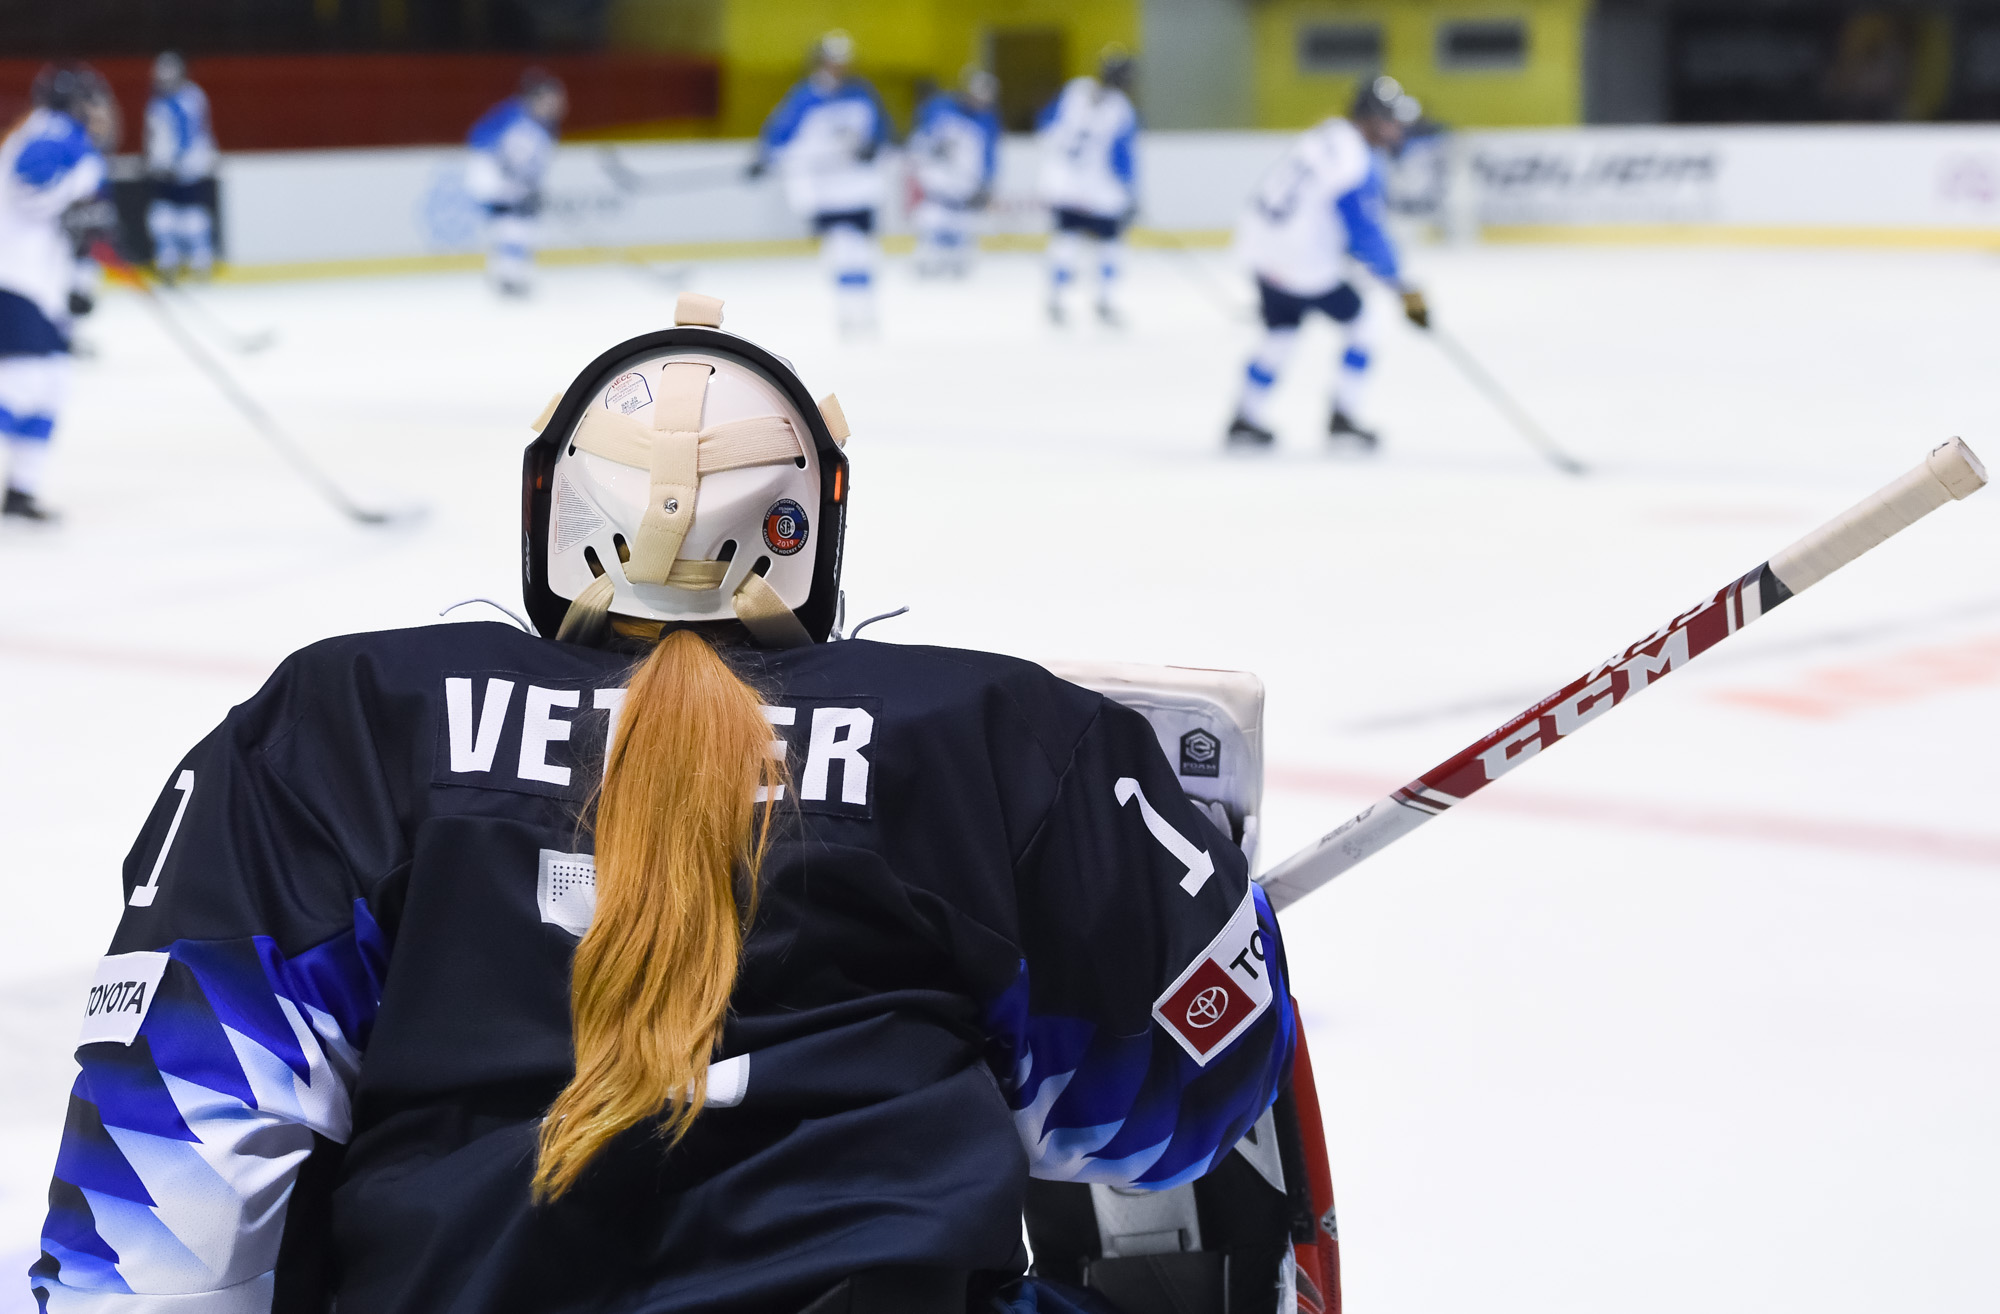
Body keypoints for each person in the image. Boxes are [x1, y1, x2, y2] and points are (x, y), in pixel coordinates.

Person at [29, 293, 1294, 1313]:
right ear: (811, 525)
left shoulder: (343, 717)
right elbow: (1163, 1125)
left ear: (554, 508)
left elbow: (163, 1207)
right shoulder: (1002, 734)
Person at [1227, 75, 1430, 451]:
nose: (1396, 130)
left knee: (1281, 331)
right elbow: (1365, 232)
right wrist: (1405, 287)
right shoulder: (1358, 161)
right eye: (1390, 120)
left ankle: (1245, 417)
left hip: (1262, 251)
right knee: (1364, 324)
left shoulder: (1326, 134)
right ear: (1369, 117)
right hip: (1304, 266)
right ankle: (1344, 417)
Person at [0, 64, 116, 523]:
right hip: (15, 280)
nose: (100, 112)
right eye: (92, 102)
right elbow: (33, 189)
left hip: (36, 285)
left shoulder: (56, 135)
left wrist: (80, 282)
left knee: (53, 386)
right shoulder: (55, 131)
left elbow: (75, 223)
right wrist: (73, 196)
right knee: (24, 382)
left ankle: (20, 491)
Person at [751, 32, 892, 335]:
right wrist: (764, 158)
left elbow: (883, 130)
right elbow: (779, 135)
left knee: (863, 252)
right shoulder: (805, 97)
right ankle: (848, 312)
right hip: (826, 193)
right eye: (831, 61)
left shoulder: (861, 94)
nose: (837, 67)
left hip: (859, 189)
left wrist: (874, 146)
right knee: (841, 250)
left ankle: (865, 311)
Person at [1036, 47, 1139, 326]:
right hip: (1101, 190)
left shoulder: (1075, 90)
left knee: (1066, 239)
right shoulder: (1121, 109)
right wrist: (1132, 192)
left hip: (1063, 184)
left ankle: (1055, 299)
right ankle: (1104, 300)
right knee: (1109, 243)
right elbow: (1123, 158)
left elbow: (1045, 123)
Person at [465, 69, 566, 297]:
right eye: (553, 96)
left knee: (517, 223)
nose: (559, 102)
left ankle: (507, 273)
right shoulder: (522, 120)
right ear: (538, 97)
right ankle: (508, 276)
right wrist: (523, 185)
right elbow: (502, 153)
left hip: (503, 179)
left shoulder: (536, 121)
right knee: (516, 222)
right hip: (495, 178)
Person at [907, 67, 1000, 279]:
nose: (981, 101)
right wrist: (929, 149)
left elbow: (990, 155)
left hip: (964, 193)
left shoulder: (987, 120)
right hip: (937, 192)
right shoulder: (939, 108)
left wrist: (987, 183)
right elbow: (918, 139)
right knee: (929, 251)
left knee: (961, 258)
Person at [143, 51, 219, 282]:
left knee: (191, 214)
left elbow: (188, 134)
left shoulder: (187, 98)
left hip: (186, 168)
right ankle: (169, 259)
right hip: (168, 168)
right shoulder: (159, 99)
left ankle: (201, 259)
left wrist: (175, 163)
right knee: (163, 213)